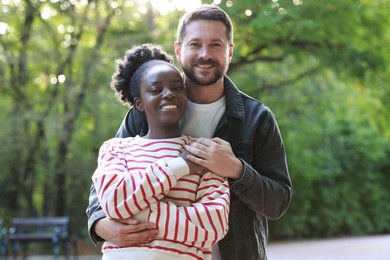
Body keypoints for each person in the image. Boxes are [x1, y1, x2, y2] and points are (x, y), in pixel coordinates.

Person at [87, 4, 293, 260]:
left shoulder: (257, 118)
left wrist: (237, 170)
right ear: (178, 49)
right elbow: (106, 183)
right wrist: (99, 225)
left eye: (216, 45)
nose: (205, 54)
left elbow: (279, 202)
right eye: (195, 44)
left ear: (230, 51)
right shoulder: (147, 111)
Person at [91, 43, 230, 260]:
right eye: (156, 90)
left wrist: (135, 210)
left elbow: (213, 225)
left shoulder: (203, 152)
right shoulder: (116, 149)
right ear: (139, 103)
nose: (169, 95)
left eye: (177, 87)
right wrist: (180, 166)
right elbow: (112, 201)